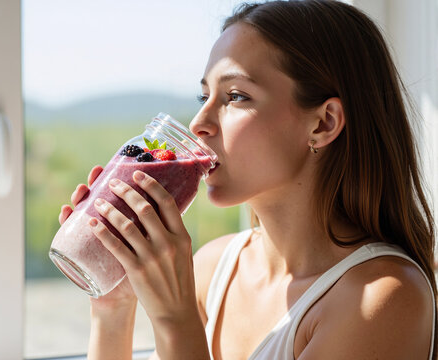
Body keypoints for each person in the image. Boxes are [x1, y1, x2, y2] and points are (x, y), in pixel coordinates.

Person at [58, 1, 437, 359]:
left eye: (236, 96)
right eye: (203, 95)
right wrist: (113, 307)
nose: (197, 124)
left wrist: (176, 323)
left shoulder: (382, 299)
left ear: (324, 123)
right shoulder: (213, 267)